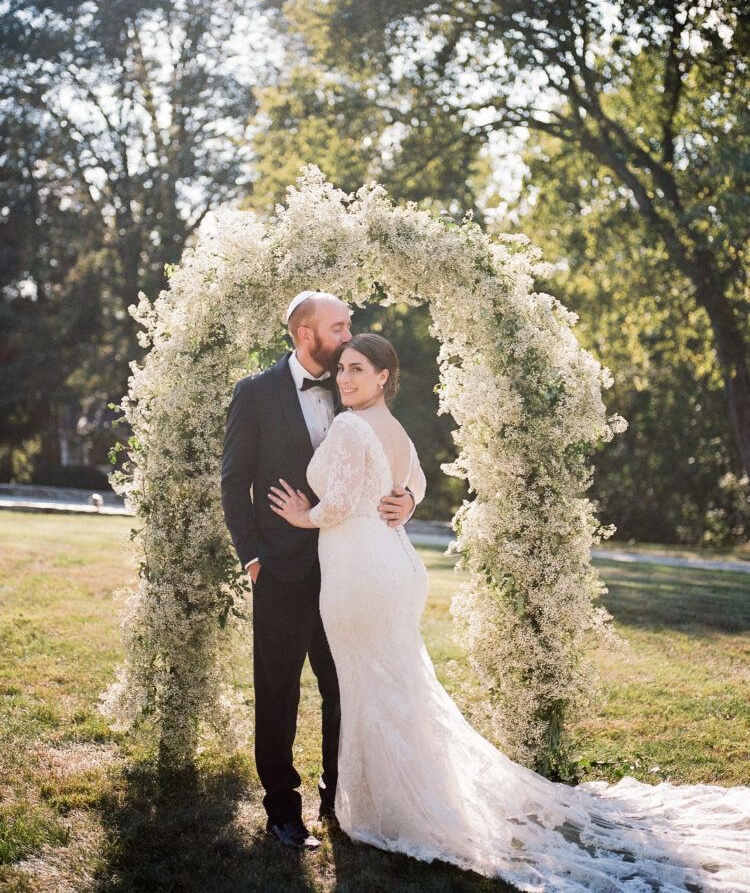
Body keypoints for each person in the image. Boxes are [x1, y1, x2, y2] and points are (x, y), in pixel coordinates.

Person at [269, 333, 750, 892]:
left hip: (362, 574)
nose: (345, 378)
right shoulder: (394, 428)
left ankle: (394, 809)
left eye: (358, 369)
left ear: (383, 377)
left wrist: (303, 516)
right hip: (390, 568)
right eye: (342, 369)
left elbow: (342, 502)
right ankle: (399, 799)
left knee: (373, 686)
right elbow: (417, 484)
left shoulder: (352, 426)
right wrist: (409, 501)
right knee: (392, 685)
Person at [221, 293, 415, 850]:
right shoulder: (255, 394)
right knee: (278, 691)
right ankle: (283, 810)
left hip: (345, 572)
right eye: (339, 326)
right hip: (279, 570)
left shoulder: (350, 384)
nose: (349, 333)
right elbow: (234, 483)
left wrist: (408, 500)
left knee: (344, 687)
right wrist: (252, 557)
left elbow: (398, 455)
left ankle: (338, 799)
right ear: (307, 335)